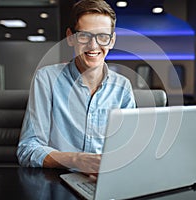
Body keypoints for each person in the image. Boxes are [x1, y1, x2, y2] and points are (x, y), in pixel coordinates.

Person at [17, 0, 136, 174]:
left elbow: (128, 151)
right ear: (70, 37)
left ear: (112, 41)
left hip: (104, 182)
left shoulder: (123, 86)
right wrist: (76, 160)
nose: (93, 46)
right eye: (84, 36)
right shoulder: (47, 79)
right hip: (57, 182)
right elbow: (27, 149)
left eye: (102, 36)